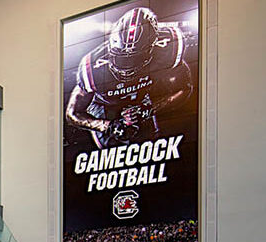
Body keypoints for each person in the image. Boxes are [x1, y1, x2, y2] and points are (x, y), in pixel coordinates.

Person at [64, 7, 194, 148]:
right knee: (111, 155)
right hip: (106, 104)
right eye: (121, 57)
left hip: (140, 99)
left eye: (134, 58)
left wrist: (148, 110)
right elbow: (72, 113)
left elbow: (184, 88)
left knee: (149, 148)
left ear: (152, 47)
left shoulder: (168, 49)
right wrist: (107, 125)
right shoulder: (93, 68)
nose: (126, 67)